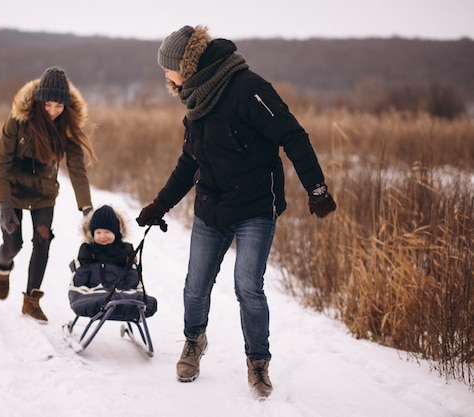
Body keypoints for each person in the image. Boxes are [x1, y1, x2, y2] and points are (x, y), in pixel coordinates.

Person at [136, 25, 336, 399]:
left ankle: (258, 362)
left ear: (187, 64)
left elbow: (293, 135)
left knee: (248, 286)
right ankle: (194, 341)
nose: (165, 74)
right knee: (195, 285)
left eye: (168, 67)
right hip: (212, 205)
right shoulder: (196, 100)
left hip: (255, 204)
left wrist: (317, 188)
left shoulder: (248, 88)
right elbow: (190, 160)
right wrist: (161, 204)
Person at [0, 66, 97, 322]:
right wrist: (4, 203)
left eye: (59, 106)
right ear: (39, 102)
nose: (53, 111)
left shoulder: (67, 126)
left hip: (43, 191)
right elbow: (1, 161)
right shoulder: (18, 120)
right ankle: (3, 266)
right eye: (48, 104)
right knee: (13, 242)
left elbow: (77, 169)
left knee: (42, 239)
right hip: (13, 189)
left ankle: (31, 300)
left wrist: (86, 207)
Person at [68, 205, 157, 319]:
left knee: (145, 302)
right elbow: (82, 274)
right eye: (98, 232)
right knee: (90, 301)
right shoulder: (88, 250)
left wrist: (130, 286)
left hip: (121, 291)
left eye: (107, 232)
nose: (103, 236)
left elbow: (132, 275)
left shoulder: (125, 250)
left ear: (116, 232)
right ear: (92, 233)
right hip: (93, 292)